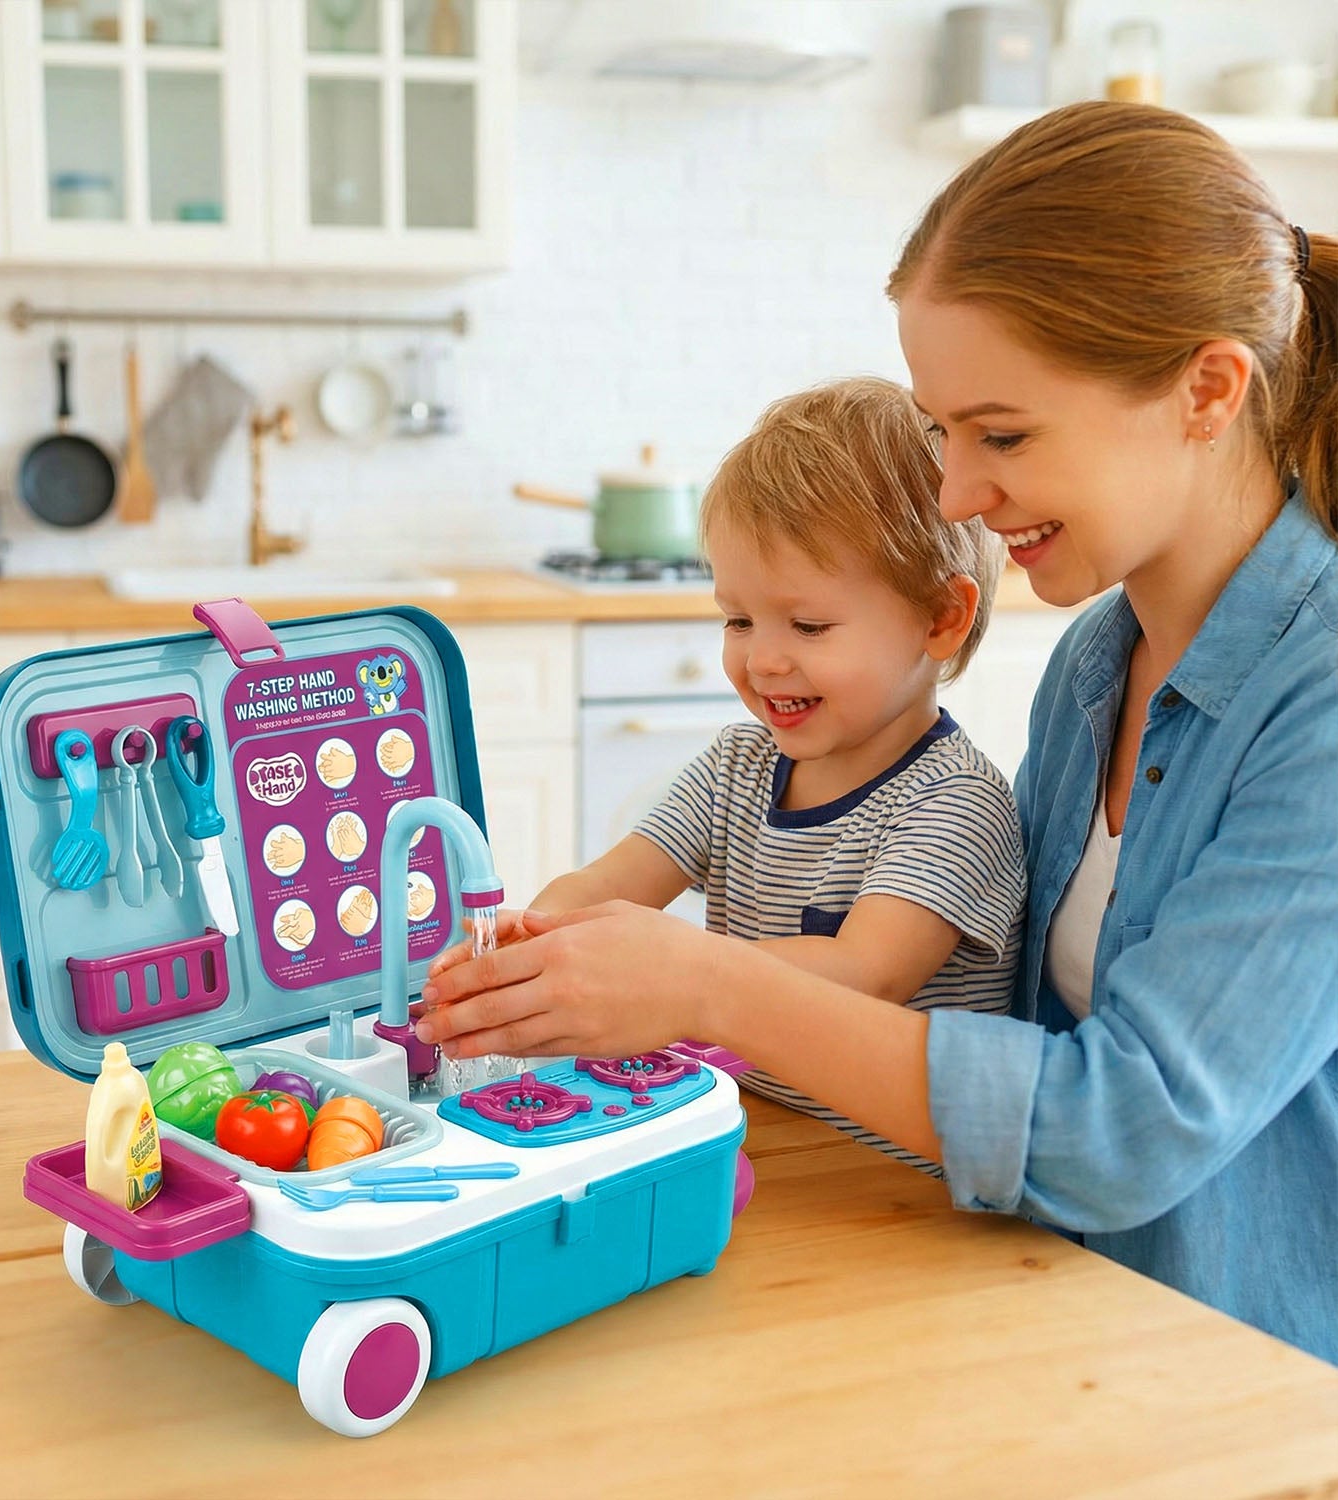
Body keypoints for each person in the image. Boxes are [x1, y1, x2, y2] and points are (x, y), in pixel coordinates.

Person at [417, 101, 1338, 1364]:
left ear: (1208, 391)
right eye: (942, 432)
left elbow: (1122, 1129)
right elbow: (1016, 1042)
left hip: (1242, 1376)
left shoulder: (1317, 698)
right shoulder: (1094, 664)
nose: (956, 492)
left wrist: (701, 983)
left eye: (1002, 434)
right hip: (1044, 1310)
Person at [437, 378, 1026, 1172]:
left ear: (941, 618)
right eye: (738, 619)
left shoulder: (956, 804)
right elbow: (608, 883)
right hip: (761, 1136)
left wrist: (675, 973)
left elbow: (865, 975)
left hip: (890, 1181)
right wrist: (528, 946)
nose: (763, 659)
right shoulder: (737, 766)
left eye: (808, 625)